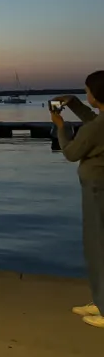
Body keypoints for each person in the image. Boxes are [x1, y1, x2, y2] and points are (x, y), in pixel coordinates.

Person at [51, 71, 104, 329]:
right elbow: (93, 120)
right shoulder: (100, 122)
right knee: (96, 245)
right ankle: (101, 300)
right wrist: (73, 103)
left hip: (98, 190)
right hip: (96, 188)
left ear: (97, 94)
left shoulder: (97, 128)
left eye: (86, 91)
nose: (86, 94)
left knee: (98, 246)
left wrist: (62, 128)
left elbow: (72, 152)